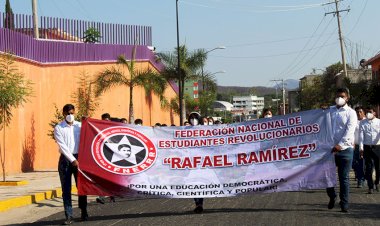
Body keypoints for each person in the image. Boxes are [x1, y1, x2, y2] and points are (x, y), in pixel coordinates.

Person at [54, 104, 88, 224]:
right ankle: (69, 216)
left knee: (81, 187)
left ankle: (84, 211)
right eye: (68, 113)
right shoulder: (59, 128)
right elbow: (62, 146)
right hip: (66, 161)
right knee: (66, 189)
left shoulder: (80, 125)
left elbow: (89, 137)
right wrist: (72, 160)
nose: (70, 115)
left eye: (72, 113)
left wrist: (88, 122)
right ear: (63, 114)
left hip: (80, 158)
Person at [326, 88, 357, 213]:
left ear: (347, 98)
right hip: (329, 150)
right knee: (328, 177)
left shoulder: (351, 113)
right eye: (338, 96)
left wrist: (340, 145)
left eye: (342, 96)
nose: (339, 98)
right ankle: (332, 196)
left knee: (343, 178)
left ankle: (344, 203)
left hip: (345, 150)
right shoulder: (329, 110)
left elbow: (350, 132)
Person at [359, 106, 380, 194]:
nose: (368, 113)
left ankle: (377, 182)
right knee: (368, 168)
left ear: (374, 113)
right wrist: (361, 148)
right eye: (367, 112)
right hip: (367, 147)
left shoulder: (379, 122)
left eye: (370, 112)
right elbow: (361, 136)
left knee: (378, 167)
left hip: (377, 147)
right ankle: (370, 187)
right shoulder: (363, 122)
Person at [187, 112, 204, 213]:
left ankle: (200, 203)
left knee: (201, 183)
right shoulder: (185, 130)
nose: (193, 120)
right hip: (190, 162)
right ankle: (197, 203)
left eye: (195, 118)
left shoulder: (204, 130)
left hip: (202, 162)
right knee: (192, 184)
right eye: (191, 118)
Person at [353, 106, 366, 188]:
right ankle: (358, 175)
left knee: (363, 163)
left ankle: (360, 180)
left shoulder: (367, 121)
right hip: (355, 145)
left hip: (366, 146)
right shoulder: (354, 121)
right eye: (357, 112)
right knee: (354, 163)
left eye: (360, 112)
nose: (358, 113)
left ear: (364, 113)